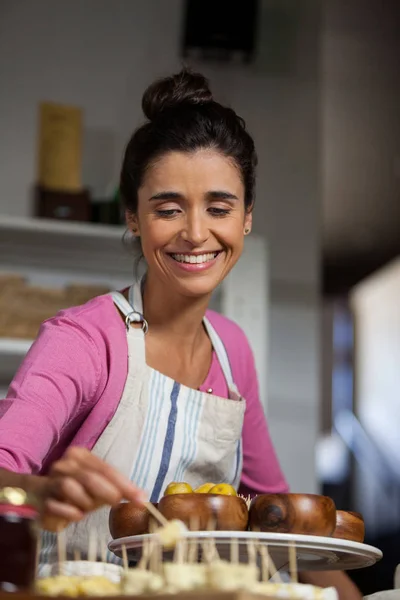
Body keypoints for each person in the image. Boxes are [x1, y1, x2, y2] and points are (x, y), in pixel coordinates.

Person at [0, 69, 360, 598]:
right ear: (133, 218)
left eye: (219, 208)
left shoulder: (232, 350)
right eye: (168, 209)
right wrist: (43, 491)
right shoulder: (84, 339)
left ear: (247, 219)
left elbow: (281, 522)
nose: (195, 232)